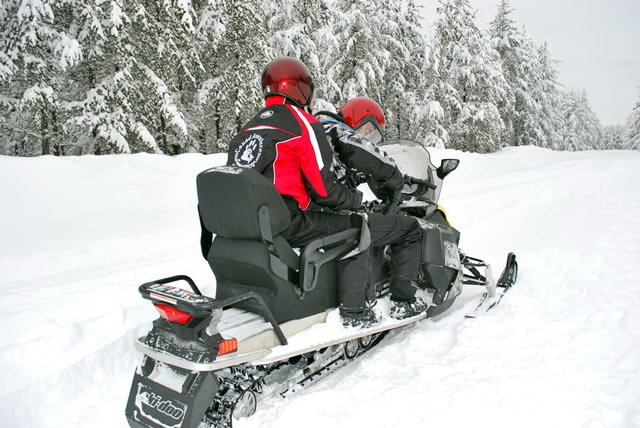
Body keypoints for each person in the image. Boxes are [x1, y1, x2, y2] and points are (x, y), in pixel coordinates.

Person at [226, 57, 376, 328]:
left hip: (244, 223)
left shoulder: (248, 128)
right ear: (302, 89)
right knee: (357, 227)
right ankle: (355, 311)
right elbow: (323, 189)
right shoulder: (303, 123)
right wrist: (354, 199)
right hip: (285, 220)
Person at [315, 97, 428, 319]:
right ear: (355, 119)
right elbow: (367, 154)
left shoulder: (320, 135)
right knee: (410, 229)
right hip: (334, 217)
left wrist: (360, 178)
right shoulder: (336, 130)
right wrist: (394, 177)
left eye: (372, 135)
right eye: (367, 130)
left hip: (319, 213)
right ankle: (403, 301)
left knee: (368, 217)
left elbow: (340, 171)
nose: (367, 138)